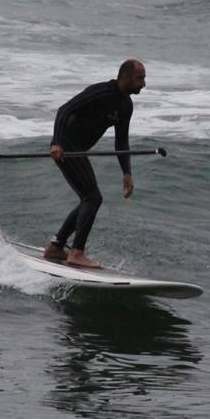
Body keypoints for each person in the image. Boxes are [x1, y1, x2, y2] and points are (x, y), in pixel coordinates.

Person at [41, 59, 147, 269]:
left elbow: (121, 140)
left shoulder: (126, 105)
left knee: (87, 199)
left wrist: (127, 172)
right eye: (139, 78)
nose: (143, 84)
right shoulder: (101, 92)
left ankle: (56, 246)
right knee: (92, 197)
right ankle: (76, 253)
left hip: (78, 149)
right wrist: (57, 142)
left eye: (143, 78)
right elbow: (64, 110)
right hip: (67, 146)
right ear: (124, 77)